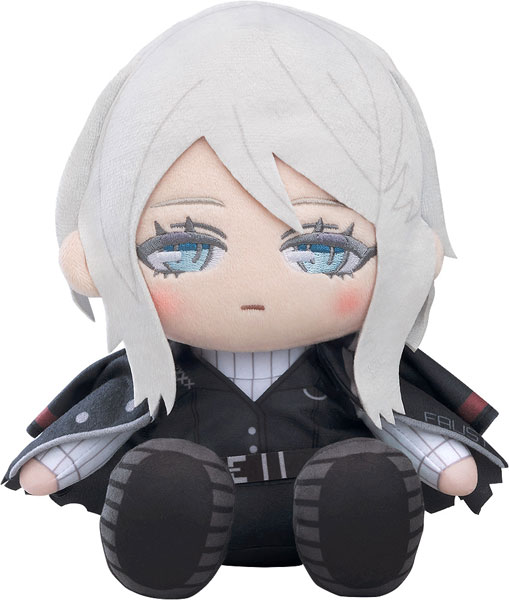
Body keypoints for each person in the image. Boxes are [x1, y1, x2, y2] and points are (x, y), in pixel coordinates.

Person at [3, 3, 505, 598]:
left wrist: (442, 460)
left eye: (324, 249)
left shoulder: (358, 372)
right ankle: (163, 537)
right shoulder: (150, 374)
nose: (253, 287)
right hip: (182, 526)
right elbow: (89, 437)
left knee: (364, 476)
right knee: (166, 476)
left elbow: (408, 428)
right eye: (181, 247)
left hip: (335, 526)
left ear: (408, 252)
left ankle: (360, 535)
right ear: (95, 256)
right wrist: (57, 463)